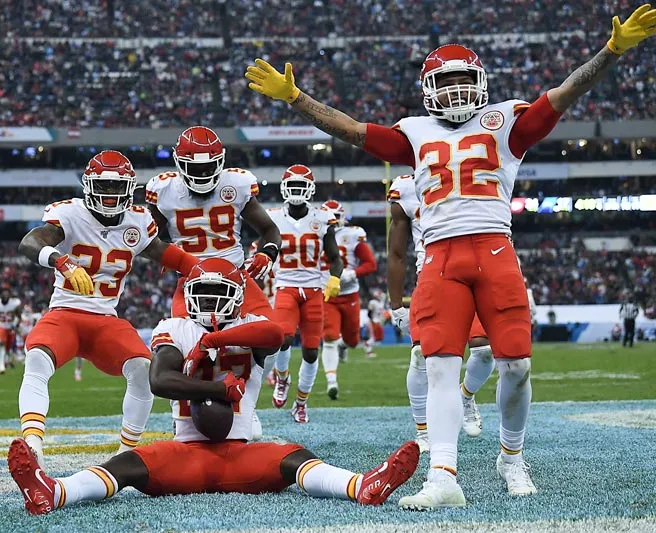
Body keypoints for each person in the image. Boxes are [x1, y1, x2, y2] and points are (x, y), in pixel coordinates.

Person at [245, 4, 656, 507]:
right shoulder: (415, 131)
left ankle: (511, 457)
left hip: (494, 248)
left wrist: (611, 51)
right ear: (428, 89)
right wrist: (295, 97)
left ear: (481, 82)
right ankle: (443, 475)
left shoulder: (505, 120)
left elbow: (567, 92)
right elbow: (351, 129)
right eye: (447, 82)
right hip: (439, 256)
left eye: (465, 80)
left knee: (517, 366)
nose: (457, 91)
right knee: (438, 366)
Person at [7, 258, 419, 515]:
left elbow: (278, 337)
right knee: (126, 466)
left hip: (240, 453)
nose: (208, 302)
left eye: (217, 294)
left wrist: (212, 342)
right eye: (201, 293)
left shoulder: (249, 327)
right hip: (187, 453)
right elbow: (159, 379)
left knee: (295, 457)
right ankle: (54, 492)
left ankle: (362, 485)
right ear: (188, 295)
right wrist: (219, 391)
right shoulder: (174, 327)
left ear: (238, 298)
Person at [16, 150, 199, 466]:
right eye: (104, 186)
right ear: (88, 185)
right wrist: (61, 260)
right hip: (65, 313)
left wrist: (208, 268)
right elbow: (29, 242)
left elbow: (169, 255)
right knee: (37, 358)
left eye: (117, 187)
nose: (110, 194)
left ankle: (127, 452)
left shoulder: (138, 222)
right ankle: (32, 446)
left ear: (129, 187)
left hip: (106, 318)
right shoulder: (71, 214)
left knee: (144, 370)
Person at [387, 174, 498, 452]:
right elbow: (397, 252)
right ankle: (423, 430)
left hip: (476, 270)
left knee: (484, 351)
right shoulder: (405, 187)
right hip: (432, 273)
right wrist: (396, 302)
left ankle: (465, 395)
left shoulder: (473, 170)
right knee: (420, 355)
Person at [145, 126, 281, 321]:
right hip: (191, 279)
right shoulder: (164, 189)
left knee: (271, 336)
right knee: (187, 344)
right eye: (195, 168)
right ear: (179, 163)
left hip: (235, 274)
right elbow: (146, 239)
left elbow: (269, 229)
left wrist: (268, 253)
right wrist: (165, 254)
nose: (202, 174)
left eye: (208, 167)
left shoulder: (235, 184)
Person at [266, 164, 343, 423]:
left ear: (309, 189)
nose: (297, 191)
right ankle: (283, 378)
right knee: (282, 339)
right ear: (284, 188)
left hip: (312, 290)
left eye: (301, 186)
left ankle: (300, 403)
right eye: (293, 186)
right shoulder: (273, 218)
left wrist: (334, 277)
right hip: (285, 286)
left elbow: (335, 257)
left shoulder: (321, 219)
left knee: (311, 351)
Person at [318, 200, 377, 399]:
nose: (334, 222)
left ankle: (344, 346)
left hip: (350, 294)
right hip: (326, 294)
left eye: (337, 217)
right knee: (328, 338)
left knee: (352, 341)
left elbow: (370, 264)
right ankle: (332, 382)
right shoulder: (315, 234)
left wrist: (352, 273)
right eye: (331, 217)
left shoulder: (352, 235)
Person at [0, 286, 21, 374]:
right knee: (1, 345)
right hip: (0, 326)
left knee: (8, 348)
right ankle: (1, 366)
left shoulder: (14, 303)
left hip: (10, 327)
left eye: (7, 292)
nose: (5, 294)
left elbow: (19, 316)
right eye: (4, 292)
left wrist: (16, 325)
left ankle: (5, 361)